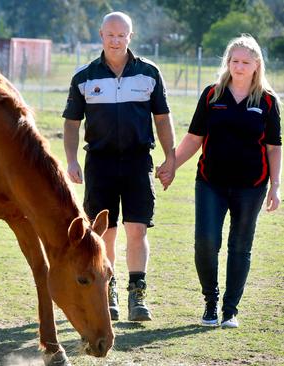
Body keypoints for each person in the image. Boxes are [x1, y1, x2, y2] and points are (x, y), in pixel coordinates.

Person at [161, 34, 281, 328]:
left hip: (251, 186)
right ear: (228, 62)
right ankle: (211, 302)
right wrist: (171, 164)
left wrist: (276, 186)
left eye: (245, 62)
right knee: (205, 242)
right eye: (234, 61)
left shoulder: (267, 101)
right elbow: (194, 138)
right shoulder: (212, 95)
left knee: (240, 246)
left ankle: (230, 310)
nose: (239, 67)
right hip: (210, 182)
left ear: (256, 65)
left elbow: (274, 147)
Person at [63, 11, 176, 322]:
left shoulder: (149, 74)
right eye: (110, 34)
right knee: (107, 234)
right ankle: (108, 290)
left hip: (139, 162)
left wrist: (171, 156)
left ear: (130, 37)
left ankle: (137, 296)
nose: (115, 40)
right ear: (101, 35)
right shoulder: (84, 77)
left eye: (121, 35)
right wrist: (71, 160)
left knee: (137, 230)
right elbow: (72, 124)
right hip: (99, 164)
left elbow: (163, 119)